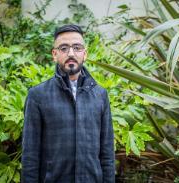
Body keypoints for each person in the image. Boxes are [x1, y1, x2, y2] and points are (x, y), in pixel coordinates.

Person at [21, 24, 115, 183]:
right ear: (54, 54)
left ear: (85, 54)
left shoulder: (100, 95)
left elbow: (107, 154)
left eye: (77, 47)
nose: (71, 53)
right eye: (64, 48)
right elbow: (30, 155)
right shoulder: (38, 96)